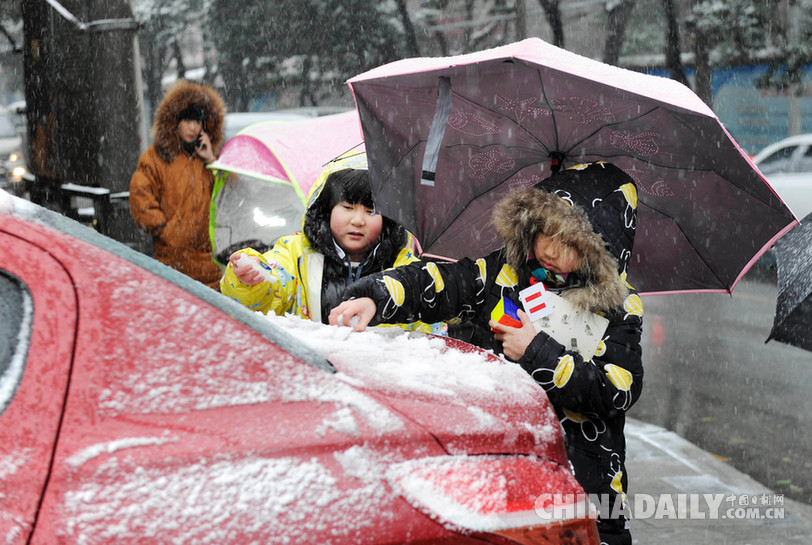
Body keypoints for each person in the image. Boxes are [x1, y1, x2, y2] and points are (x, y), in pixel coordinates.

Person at [328, 161, 643, 545]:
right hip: (505, 469)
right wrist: (378, 296)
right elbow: (446, 283)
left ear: (600, 250)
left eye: (570, 243)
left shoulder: (619, 309)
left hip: (585, 485)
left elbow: (615, 391)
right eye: (543, 231)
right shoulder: (507, 272)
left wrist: (535, 350)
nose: (548, 250)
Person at [220, 152, 442, 334]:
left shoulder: (406, 270)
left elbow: (429, 333)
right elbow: (274, 282)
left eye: (371, 211)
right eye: (347, 207)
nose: (357, 220)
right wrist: (253, 279)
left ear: (388, 221)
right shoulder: (296, 253)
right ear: (327, 211)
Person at [130, 80, 225, 289]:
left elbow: (228, 196)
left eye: (197, 122)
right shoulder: (156, 158)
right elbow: (140, 196)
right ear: (176, 122)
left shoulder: (210, 161)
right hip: (171, 266)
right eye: (187, 120)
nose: (193, 127)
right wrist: (166, 230)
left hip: (210, 268)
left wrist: (211, 159)